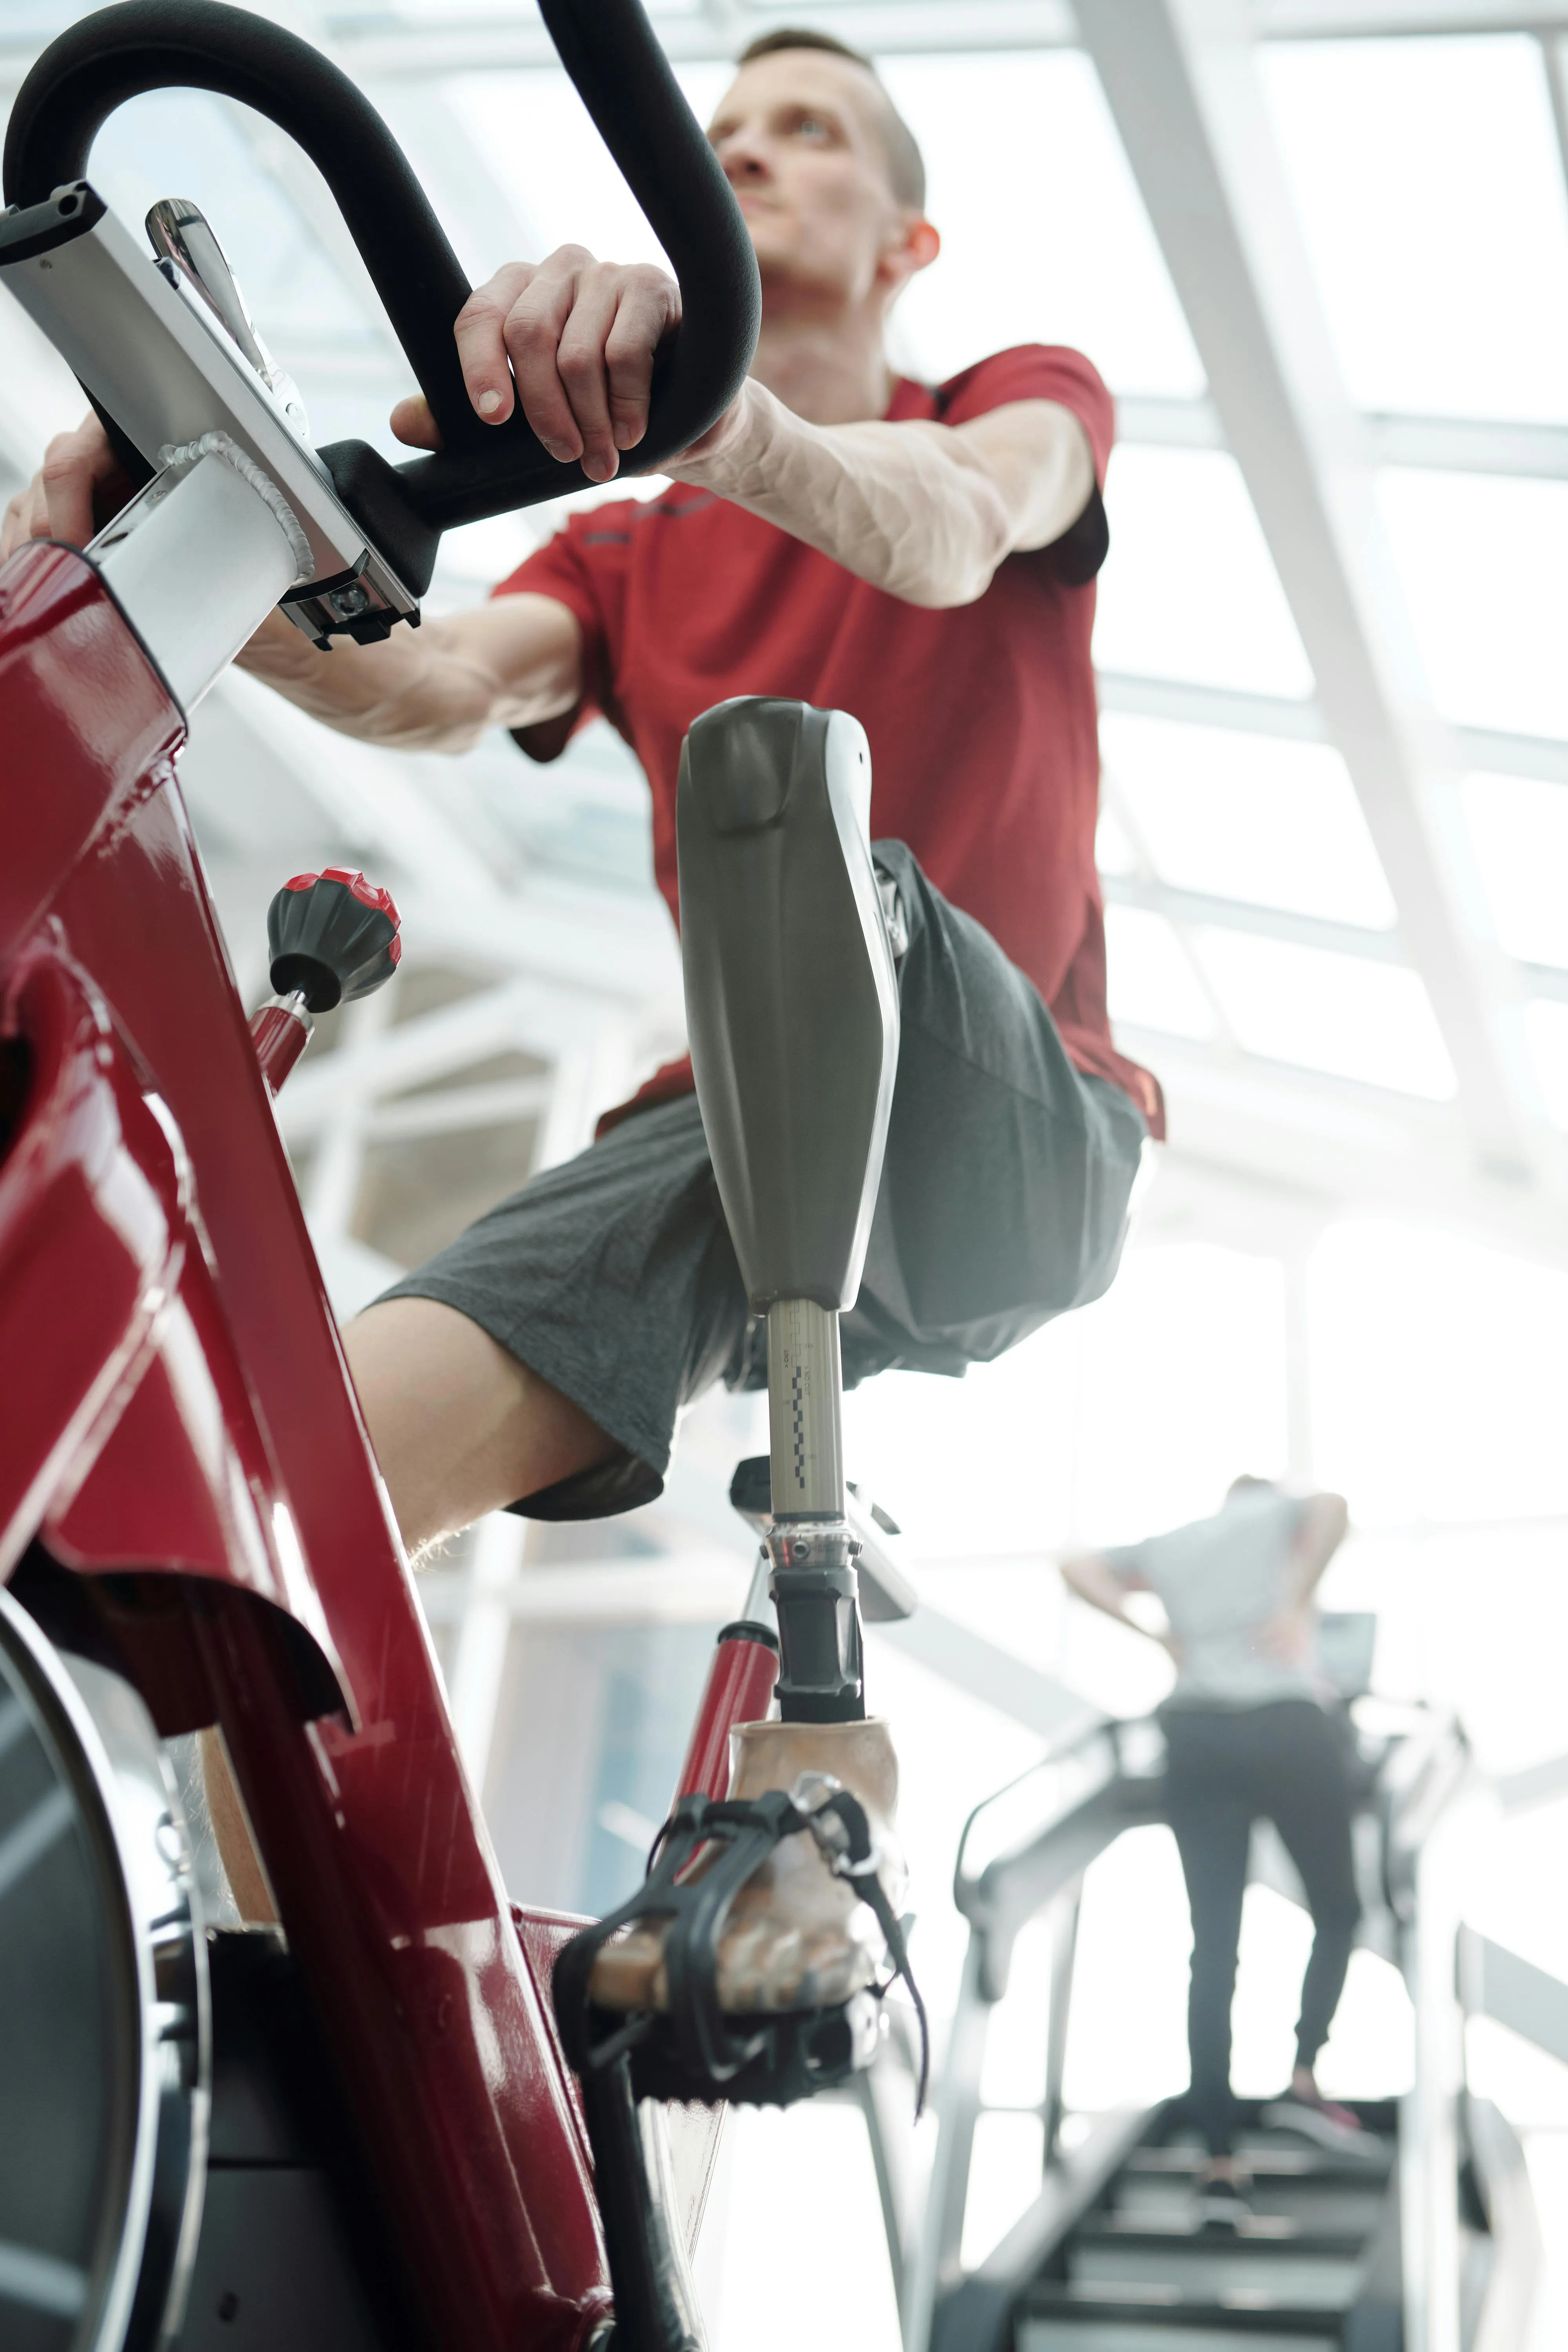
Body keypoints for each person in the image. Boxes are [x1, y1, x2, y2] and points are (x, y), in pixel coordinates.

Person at [5, 32, 1159, 2014]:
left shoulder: (1008, 397)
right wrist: (166, 547)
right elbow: (433, 684)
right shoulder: (622, 549)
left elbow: (960, 521)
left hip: (1010, 1123)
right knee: (302, 1477)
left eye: (804, 136)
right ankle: (352, 2013)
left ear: (909, 237)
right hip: (727, 1121)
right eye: (720, 140)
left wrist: (734, 430)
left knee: (805, 831)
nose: (751, 160)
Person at [1062, 1477, 1363, 2219]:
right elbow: (1333, 1507)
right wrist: (1295, 1604)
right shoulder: (1273, 1515)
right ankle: (1303, 2070)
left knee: (1213, 1949)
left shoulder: (1176, 1543)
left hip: (1195, 1732)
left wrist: (1160, 1637)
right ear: (1261, 1496)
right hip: (1286, 1722)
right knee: (1338, 1908)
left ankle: (1218, 2156)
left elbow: (1073, 1565)